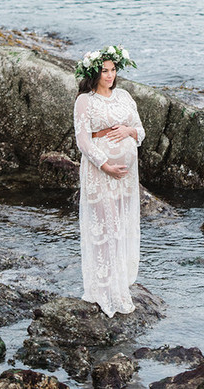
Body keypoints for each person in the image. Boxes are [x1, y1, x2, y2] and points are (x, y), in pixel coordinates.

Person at [73, 44, 144, 318]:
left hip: (126, 176)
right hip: (100, 172)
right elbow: (83, 141)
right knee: (104, 228)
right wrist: (105, 165)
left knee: (121, 225)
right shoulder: (85, 101)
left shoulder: (124, 96)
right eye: (105, 71)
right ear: (95, 73)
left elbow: (141, 131)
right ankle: (103, 289)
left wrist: (128, 131)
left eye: (113, 70)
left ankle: (120, 283)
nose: (110, 75)